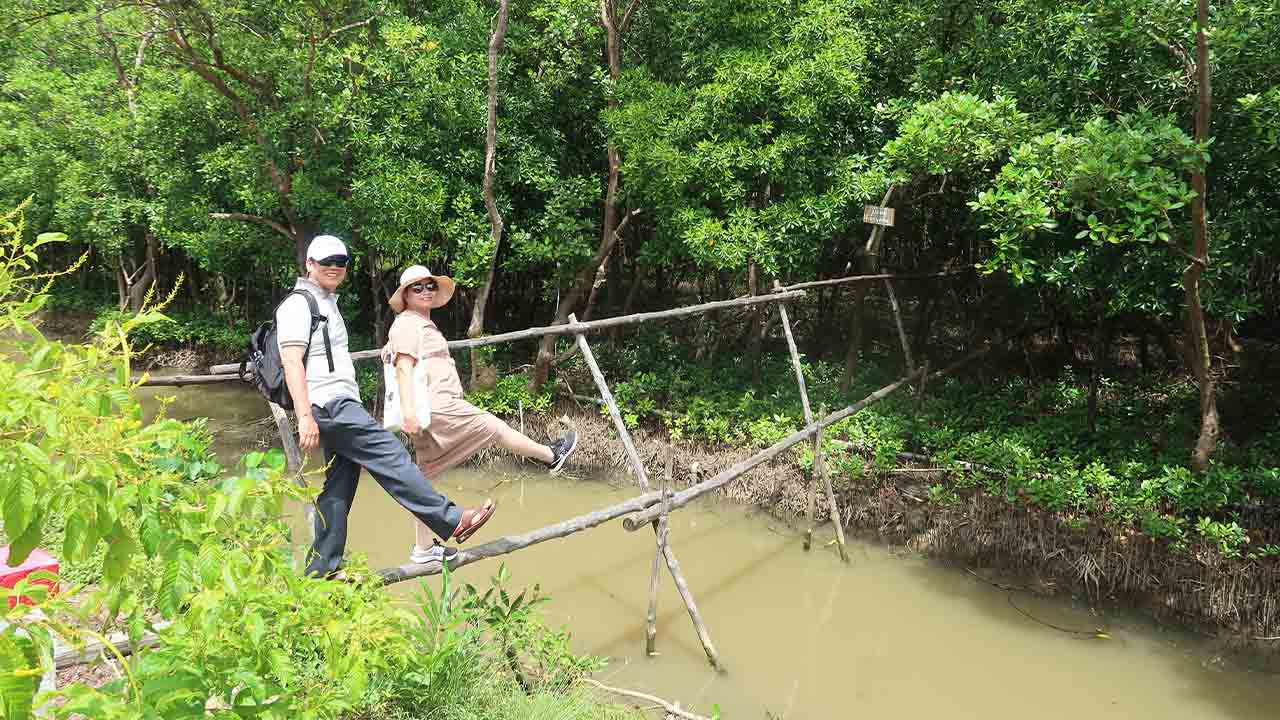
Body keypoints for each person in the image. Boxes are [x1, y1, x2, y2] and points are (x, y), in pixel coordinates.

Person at [278, 236, 497, 576]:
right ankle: (451, 520)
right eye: (326, 261)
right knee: (389, 454)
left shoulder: (327, 302)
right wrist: (305, 416)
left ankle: (320, 571)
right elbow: (292, 361)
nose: (335, 267)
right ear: (309, 264)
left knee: (338, 487)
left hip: (339, 400)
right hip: (328, 403)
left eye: (342, 261)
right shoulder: (297, 304)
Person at [383, 265, 578, 564]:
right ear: (405, 295)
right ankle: (552, 455)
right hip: (437, 406)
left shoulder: (412, 324)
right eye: (416, 287)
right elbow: (403, 368)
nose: (425, 291)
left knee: (424, 478)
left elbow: (401, 354)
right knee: (492, 425)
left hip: (431, 410)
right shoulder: (409, 324)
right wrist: (409, 413)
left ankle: (423, 548)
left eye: (429, 286)